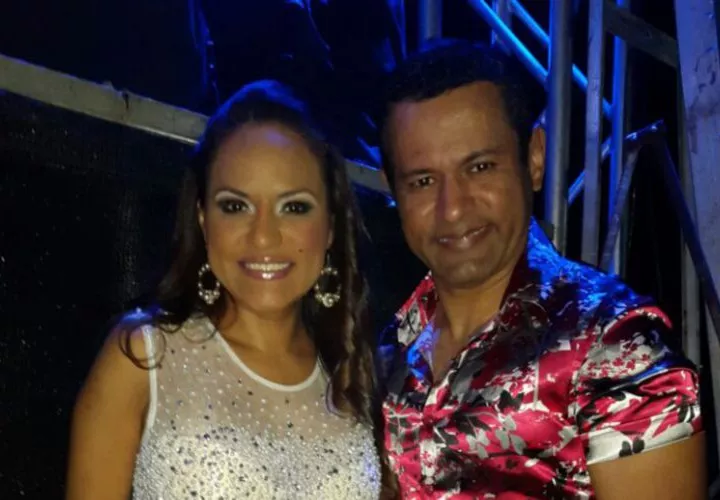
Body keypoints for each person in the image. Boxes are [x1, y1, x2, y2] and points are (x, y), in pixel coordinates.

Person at [378, 40, 705, 499]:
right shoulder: (391, 350)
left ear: (533, 158)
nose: (452, 209)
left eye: (480, 167)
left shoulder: (612, 342)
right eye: (424, 181)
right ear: (395, 192)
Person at [66, 80, 390, 499]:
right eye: (236, 206)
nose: (263, 236)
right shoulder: (145, 356)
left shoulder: (353, 371)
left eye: (294, 207)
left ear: (330, 225)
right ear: (203, 221)